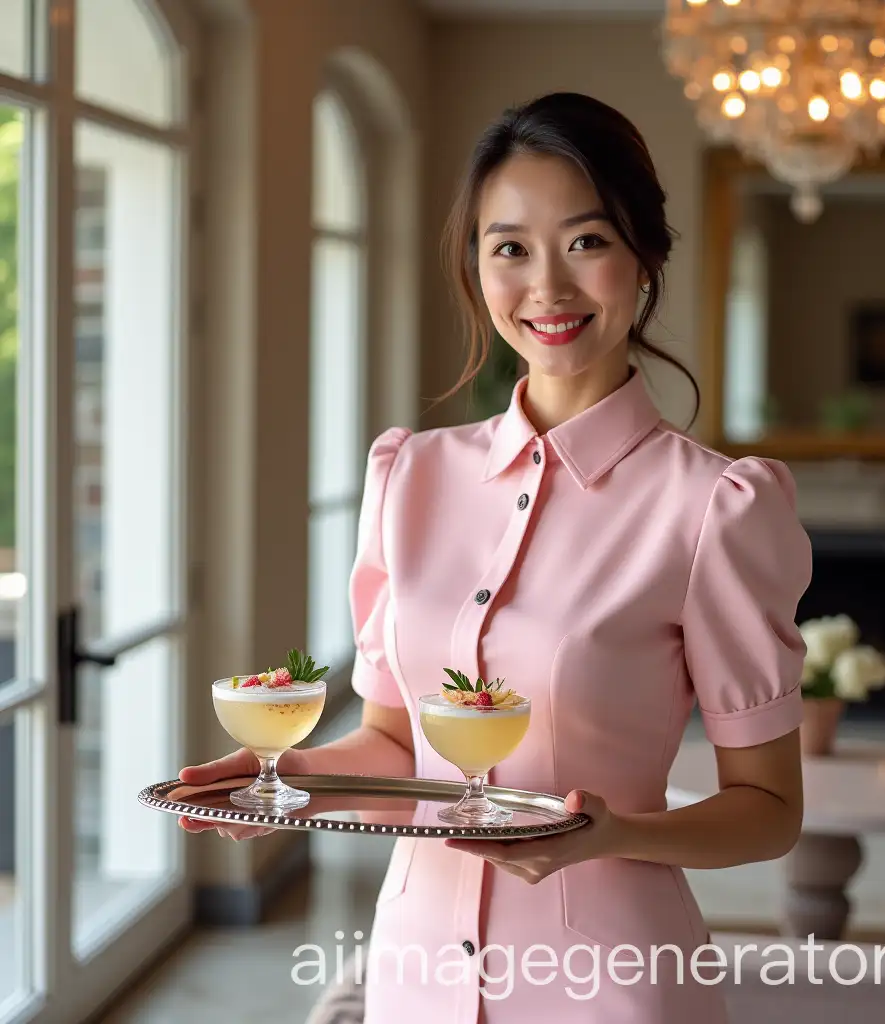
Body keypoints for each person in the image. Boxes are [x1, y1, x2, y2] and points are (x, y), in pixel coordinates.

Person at [179, 91, 812, 1023]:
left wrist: (616, 834)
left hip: (609, 986)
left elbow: (769, 808)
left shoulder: (714, 506)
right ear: (476, 270)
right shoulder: (411, 475)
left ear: (646, 257)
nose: (546, 287)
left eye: (587, 242)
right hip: (418, 973)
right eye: (509, 247)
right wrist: (282, 781)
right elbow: (394, 743)